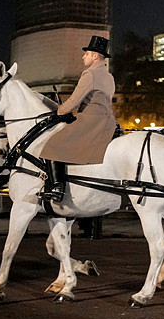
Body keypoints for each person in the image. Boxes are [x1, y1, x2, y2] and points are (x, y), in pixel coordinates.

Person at [38, 35, 117, 202]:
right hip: (108, 121)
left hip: (91, 121)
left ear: (95, 56)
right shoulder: (109, 76)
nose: (83, 57)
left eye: (86, 54)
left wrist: (59, 111)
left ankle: (57, 187)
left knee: (52, 144)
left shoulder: (90, 74)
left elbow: (75, 100)